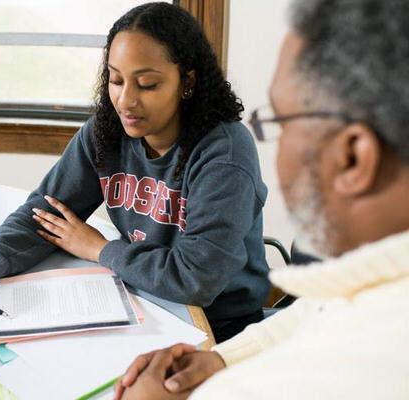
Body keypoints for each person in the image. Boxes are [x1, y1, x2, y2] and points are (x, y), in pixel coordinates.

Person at [114, 0, 409, 399]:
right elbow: (317, 310)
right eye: (116, 80)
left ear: (354, 156)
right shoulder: (375, 279)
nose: (127, 100)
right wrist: (222, 359)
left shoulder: (365, 365)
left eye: (281, 123)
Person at [0, 2, 270, 342]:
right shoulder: (106, 132)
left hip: (220, 327)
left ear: (187, 82)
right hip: (143, 301)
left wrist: (99, 249)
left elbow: (196, 281)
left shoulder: (224, 155)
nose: (125, 100)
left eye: (147, 84)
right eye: (115, 79)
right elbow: (45, 214)